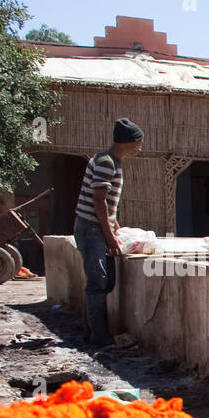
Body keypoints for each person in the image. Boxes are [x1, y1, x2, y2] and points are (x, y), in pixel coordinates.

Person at [74, 118, 143, 347]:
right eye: (138, 142)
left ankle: (91, 331)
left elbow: (107, 205)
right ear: (128, 142)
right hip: (91, 228)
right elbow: (99, 200)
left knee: (105, 281)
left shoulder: (111, 161)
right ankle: (99, 337)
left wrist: (114, 225)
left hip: (97, 227)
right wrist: (109, 234)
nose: (139, 147)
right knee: (98, 280)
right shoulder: (106, 162)